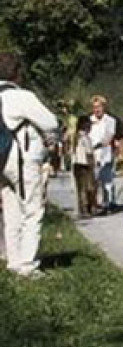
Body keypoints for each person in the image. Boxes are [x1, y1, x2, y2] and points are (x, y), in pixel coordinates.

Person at [0, 51, 60, 279]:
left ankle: (13, 260)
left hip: (1, 160)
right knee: (33, 210)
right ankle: (28, 265)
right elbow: (50, 121)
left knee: (11, 210)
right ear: (16, 73)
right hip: (22, 160)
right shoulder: (21, 96)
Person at [89, 95, 121, 213]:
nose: (97, 110)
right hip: (92, 152)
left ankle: (109, 202)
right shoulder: (90, 120)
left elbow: (110, 135)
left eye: (99, 107)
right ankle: (95, 203)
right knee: (94, 179)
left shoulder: (110, 120)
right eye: (94, 107)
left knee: (107, 179)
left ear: (104, 107)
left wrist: (100, 144)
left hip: (105, 151)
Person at [72, 117, 97, 217]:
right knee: (88, 187)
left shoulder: (75, 136)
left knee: (80, 188)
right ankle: (87, 209)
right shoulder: (84, 137)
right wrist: (93, 165)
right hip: (85, 164)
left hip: (77, 164)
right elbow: (89, 153)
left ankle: (82, 208)